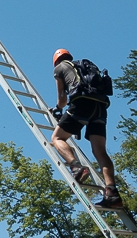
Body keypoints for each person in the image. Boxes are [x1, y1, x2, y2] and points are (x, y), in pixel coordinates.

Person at [50, 48, 123, 208]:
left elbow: (62, 99)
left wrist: (57, 108)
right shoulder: (83, 66)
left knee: (57, 138)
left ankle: (76, 167)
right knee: (100, 151)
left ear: (56, 61)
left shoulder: (59, 69)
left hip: (82, 103)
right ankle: (112, 193)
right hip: (100, 106)